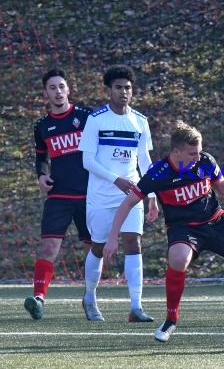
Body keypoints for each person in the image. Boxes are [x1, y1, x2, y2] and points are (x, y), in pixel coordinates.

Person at [102, 120, 224, 343]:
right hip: (184, 229)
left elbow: (221, 185)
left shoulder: (205, 161)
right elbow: (128, 203)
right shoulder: (159, 172)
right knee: (178, 258)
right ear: (176, 151)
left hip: (216, 222)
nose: (197, 157)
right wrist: (112, 238)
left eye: (199, 152)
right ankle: (171, 319)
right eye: (192, 153)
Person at [78, 65, 159, 322]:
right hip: (101, 195)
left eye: (128, 88)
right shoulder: (97, 119)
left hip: (132, 191)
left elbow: (145, 160)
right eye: (118, 87)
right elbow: (87, 161)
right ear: (109, 90)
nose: (124, 92)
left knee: (133, 241)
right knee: (99, 246)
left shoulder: (140, 121)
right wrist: (115, 180)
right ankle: (90, 297)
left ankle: (136, 306)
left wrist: (152, 194)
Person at [24, 68, 93, 320]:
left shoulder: (87, 117)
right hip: (59, 197)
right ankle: (39, 298)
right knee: (48, 246)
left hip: (89, 195)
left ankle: (90, 298)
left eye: (61, 86)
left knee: (93, 248)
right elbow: (41, 158)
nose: (58, 91)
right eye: (52, 88)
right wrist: (41, 176)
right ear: (45, 94)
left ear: (68, 89)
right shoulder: (42, 125)